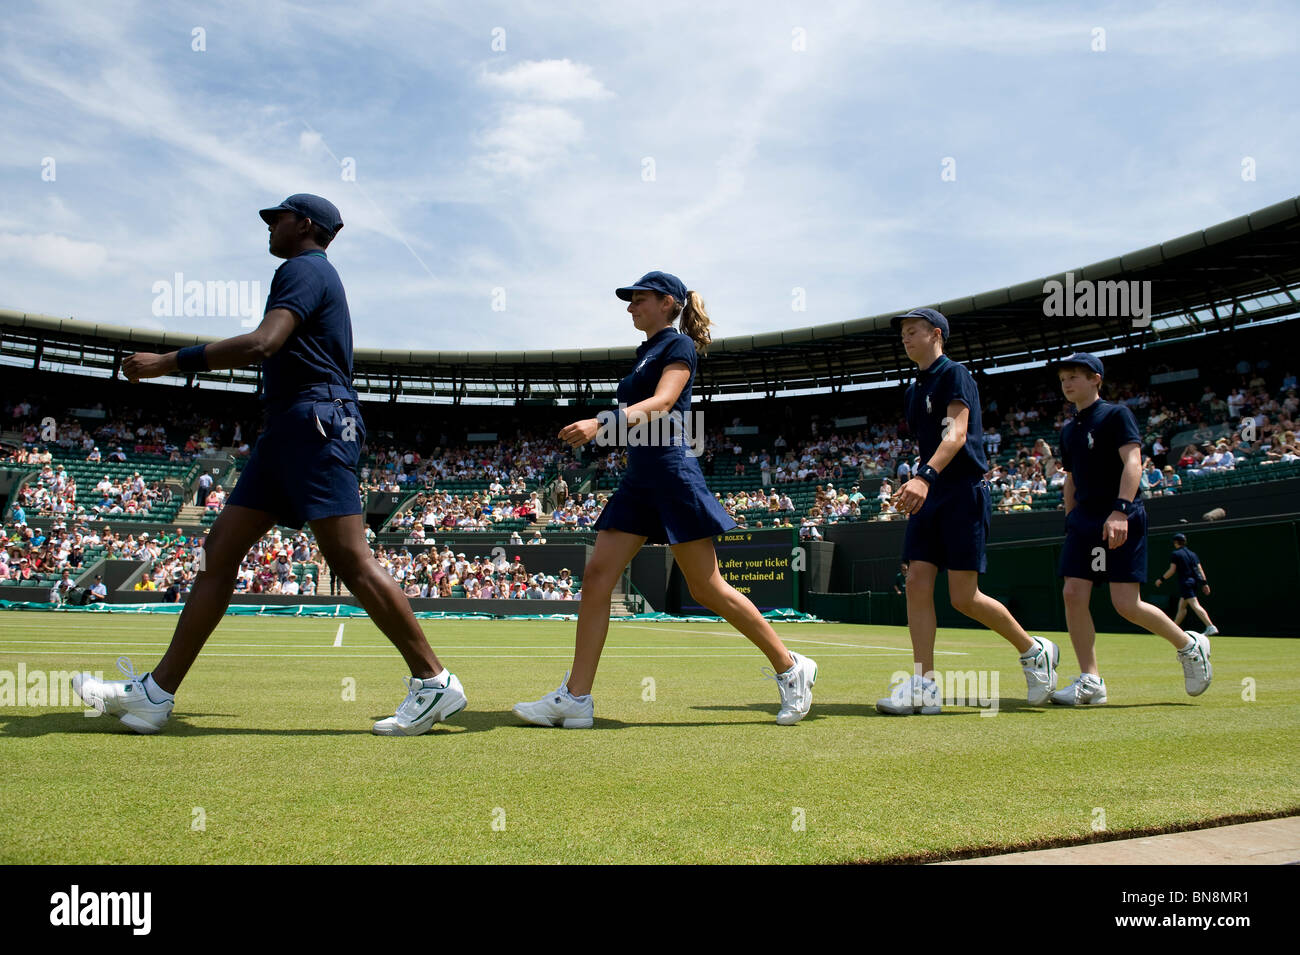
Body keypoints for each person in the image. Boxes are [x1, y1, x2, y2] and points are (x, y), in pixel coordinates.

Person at [73, 194, 465, 736]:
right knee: (219, 553)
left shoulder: (304, 269)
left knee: (348, 559)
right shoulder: (306, 271)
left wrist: (167, 362)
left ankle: (434, 682)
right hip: (289, 427)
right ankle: (156, 694)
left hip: (317, 422)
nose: (269, 227)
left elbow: (264, 343)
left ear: (304, 225)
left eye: (276, 218)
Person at [514, 271, 816, 727]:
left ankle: (791, 668)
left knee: (706, 587)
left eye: (638, 298)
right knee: (597, 576)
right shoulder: (644, 353)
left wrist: (601, 423)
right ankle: (576, 698)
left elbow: (663, 401)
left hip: (672, 470)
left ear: (667, 303)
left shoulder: (679, 346)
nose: (630, 306)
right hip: (640, 476)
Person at [879, 308, 1058, 715]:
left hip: (961, 491)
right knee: (917, 581)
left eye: (913, 331)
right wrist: (920, 483)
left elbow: (956, 433)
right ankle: (924, 685)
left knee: (964, 597)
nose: (905, 339)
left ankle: (1033, 651)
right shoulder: (913, 389)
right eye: (903, 334)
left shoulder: (955, 374)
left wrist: (923, 476)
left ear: (936, 334)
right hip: (931, 494)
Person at [1050, 353, 1212, 706]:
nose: (1067, 382)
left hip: (1121, 516)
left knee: (1126, 604)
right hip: (1085, 522)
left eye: (1075, 375)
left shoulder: (1116, 414)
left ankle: (1189, 645)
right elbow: (1071, 479)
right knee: (1073, 594)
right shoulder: (1068, 430)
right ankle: (1090, 681)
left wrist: (1121, 510)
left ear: (1096, 379)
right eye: (1063, 377)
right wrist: (1071, 517)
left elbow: (1133, 462)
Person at [1154, 532, 1218, 636]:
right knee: (1182, 608)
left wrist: (1161, 579)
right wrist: (1204, 583)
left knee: (1195, 605)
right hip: (1193, 583)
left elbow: (1172, 570)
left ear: (1175, 542)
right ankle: (1173, 629)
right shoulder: (1193, 554)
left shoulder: (1176, 554)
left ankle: (1210, 626)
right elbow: (1200, 569)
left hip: (1186, 584)